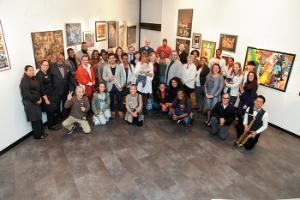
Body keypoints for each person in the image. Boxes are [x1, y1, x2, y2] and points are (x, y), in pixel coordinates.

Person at [20, 65, 46, 139]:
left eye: (32, 70)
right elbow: (26, 94)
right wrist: (36, 100)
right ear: (25, 71)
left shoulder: (33, 78)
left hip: (36, 101)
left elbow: (38, 90)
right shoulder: (24, 80)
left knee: (39, 118)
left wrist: (40, 98)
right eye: (30, 70)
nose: (32, 71)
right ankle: (38, 135)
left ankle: (41, 133)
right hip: (30, 103)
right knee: (35, 120)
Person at [36, 60, 60, 131]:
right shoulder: (39, 75)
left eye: (47, 65)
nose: (46, 66)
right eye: (44, 65)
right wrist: (46, 100)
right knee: (50, 111)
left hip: (51, 95)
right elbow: (41, 89)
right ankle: (50, 126)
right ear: (41, 65)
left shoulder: (46, 73)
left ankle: (53, 124)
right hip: (46, 97)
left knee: (52, 110)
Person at [49, 52, 72, 121]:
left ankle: (64, 116)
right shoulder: (51, 67)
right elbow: (49, 79)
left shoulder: (67, 66)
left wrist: (70, 89)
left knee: (65, 104)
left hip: (65, 90)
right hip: (56, 91)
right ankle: (58, 118)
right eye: (59, 58)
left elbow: (70, 78)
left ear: (63, 59)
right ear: (56, 59)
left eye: (62, 58)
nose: (60, 59)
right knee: (57, 105)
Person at [102, 53, 125, 118]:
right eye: (110, 58)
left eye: (113, 58)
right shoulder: (105, 67)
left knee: (119, 99)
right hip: (110, 85)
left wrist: (122, 84)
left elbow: (122, 76)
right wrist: (108, 78)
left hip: (118, 85)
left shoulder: (119, 66)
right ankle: (112, 111)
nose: (112, 59)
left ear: (115, 58)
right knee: (111, 99)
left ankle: (120, 110)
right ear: (108, 59)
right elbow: (103, 76)